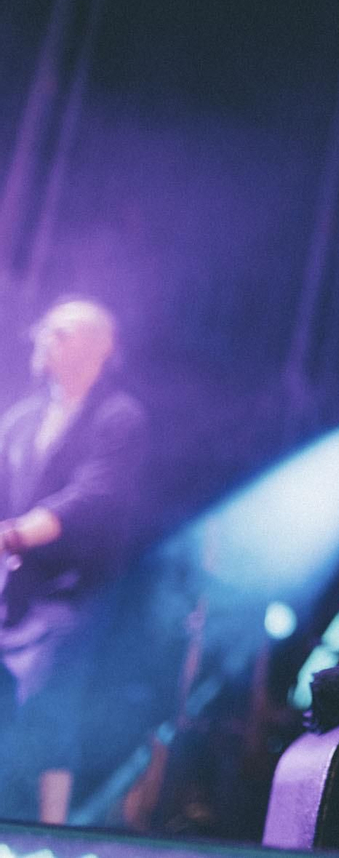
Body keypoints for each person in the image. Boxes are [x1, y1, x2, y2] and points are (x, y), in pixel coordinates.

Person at [0, 297, 150, 818]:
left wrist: (15, 535)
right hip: (13, 596)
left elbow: (93, 499)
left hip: (73, 595)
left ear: (100, 347)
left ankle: (53, 835)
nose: (45, 340)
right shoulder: (21, 420)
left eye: (59, 333)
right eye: (45, 331)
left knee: (48, 707)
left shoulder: (119, 418)